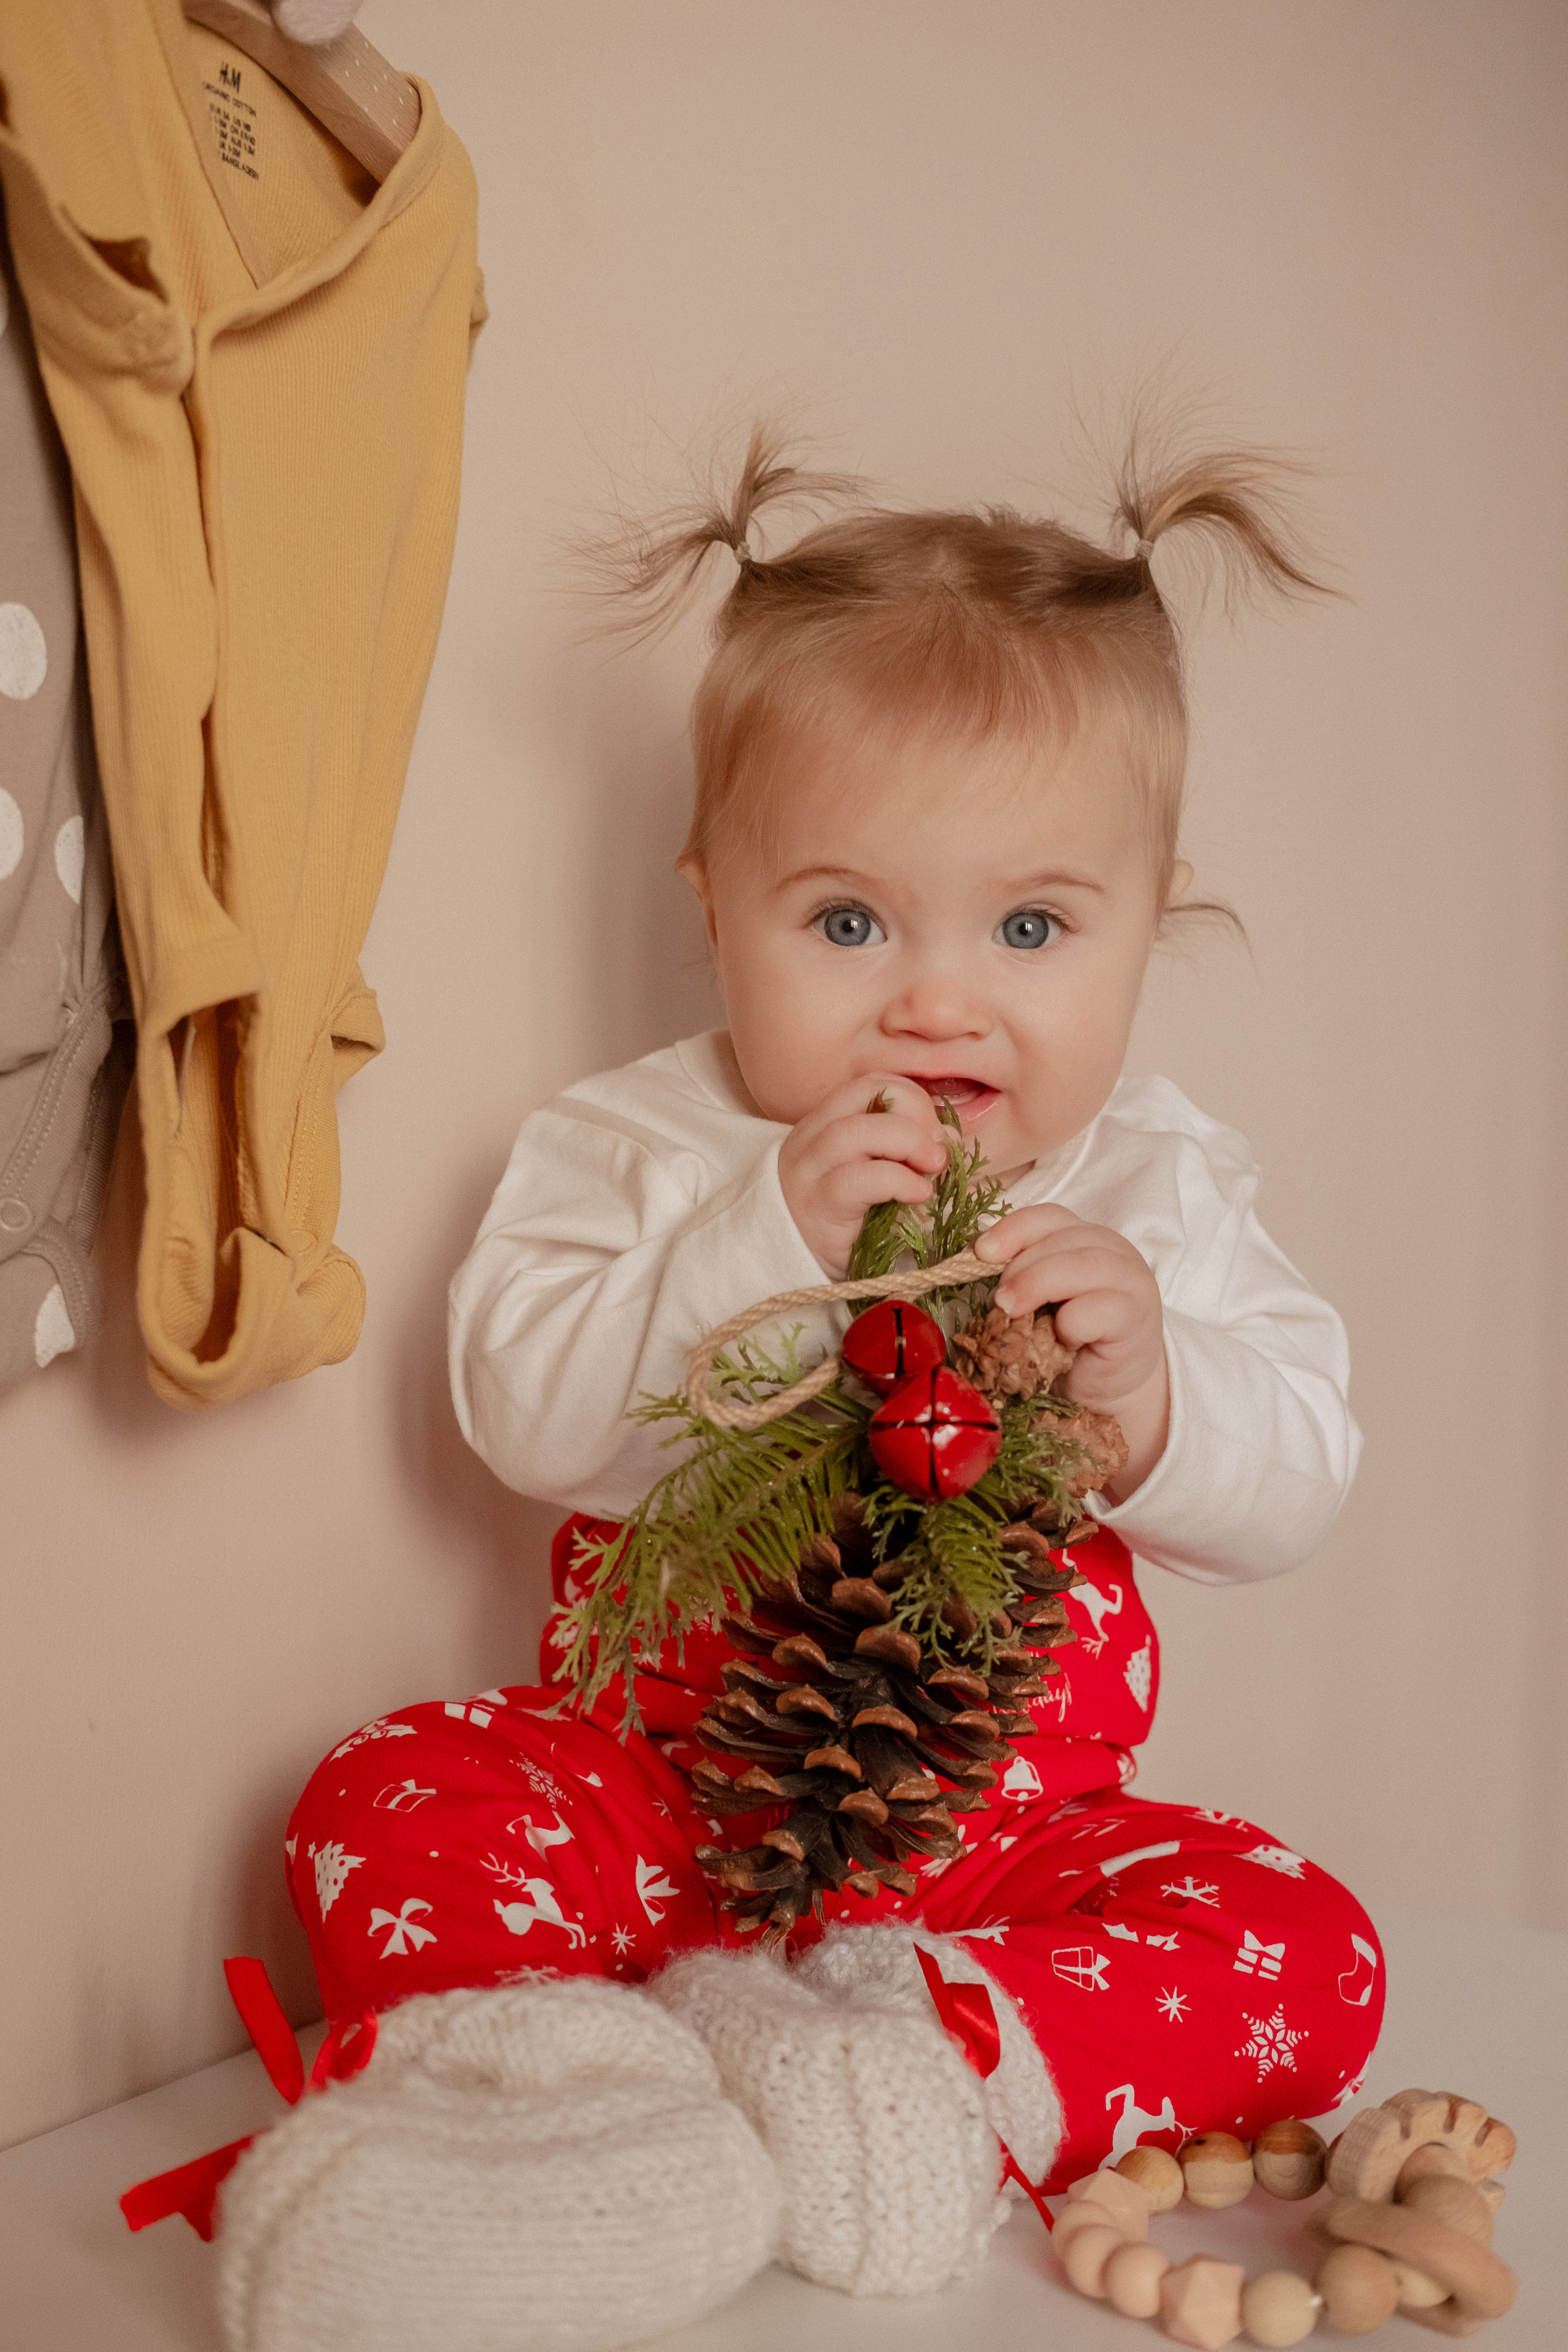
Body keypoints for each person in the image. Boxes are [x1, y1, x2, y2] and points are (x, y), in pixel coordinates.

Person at [232, 431, 1384, 2343]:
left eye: (1031, 929)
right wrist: (755, 1244)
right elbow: (525, 1416)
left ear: (1151, 909)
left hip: (998, 1858)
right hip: (661, 1805)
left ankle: (933, 2080)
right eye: (848, 923)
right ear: (716, 895)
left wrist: (1165, 1397)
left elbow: (1306, 1483)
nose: (936, 1002)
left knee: (1308, 1946)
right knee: (394, 1785)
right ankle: (557, 2122)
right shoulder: (644, 1144)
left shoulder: (1159, 1184)